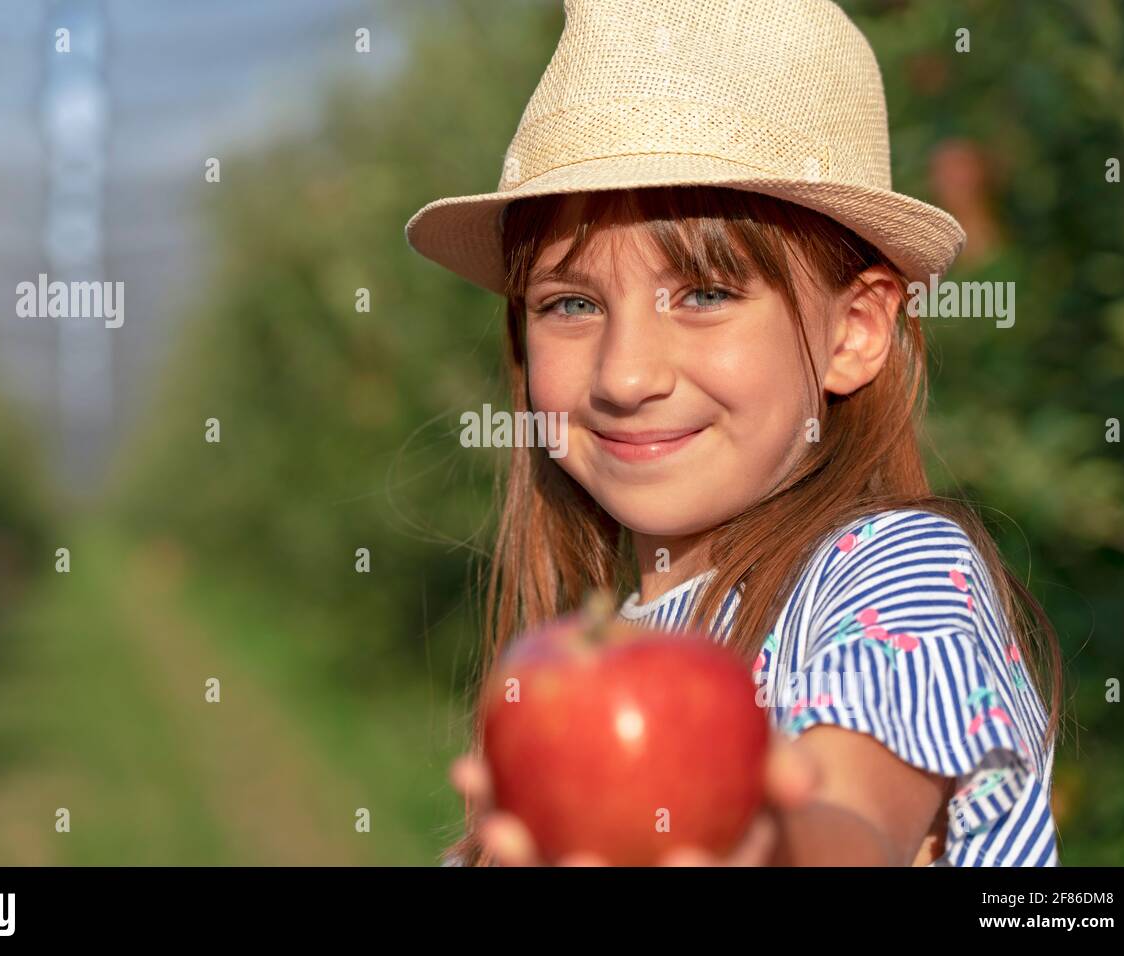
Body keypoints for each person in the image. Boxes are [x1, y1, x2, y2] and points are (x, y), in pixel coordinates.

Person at [405, 0, 1062, 866]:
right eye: (571, 304)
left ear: (855, 330)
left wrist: (765, 841)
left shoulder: (890, 574)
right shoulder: (574, 669)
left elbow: (850, 822)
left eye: (705, 294)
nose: (625, 377)